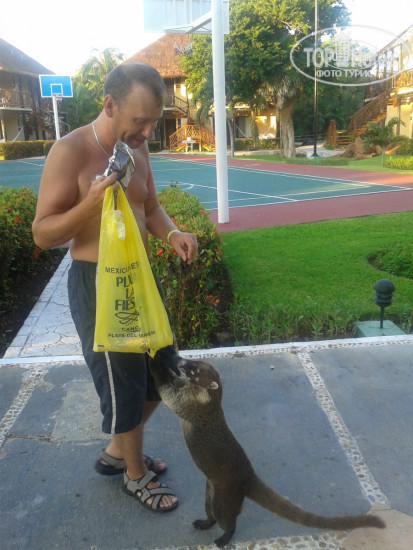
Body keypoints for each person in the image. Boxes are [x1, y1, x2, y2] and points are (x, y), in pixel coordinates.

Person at [32, 62, 198, 512]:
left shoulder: (136, 150)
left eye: (153, 122)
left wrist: (173, 233)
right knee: (122, 385)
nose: (147, 133)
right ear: (109, 105)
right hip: (98, 285)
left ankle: (116, 452)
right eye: (139, 121)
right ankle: (134, 473)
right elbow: (43, 233)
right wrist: (90, 204)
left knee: (164, 373)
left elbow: (151, 208)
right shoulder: (70, 152)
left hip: (139, 279)